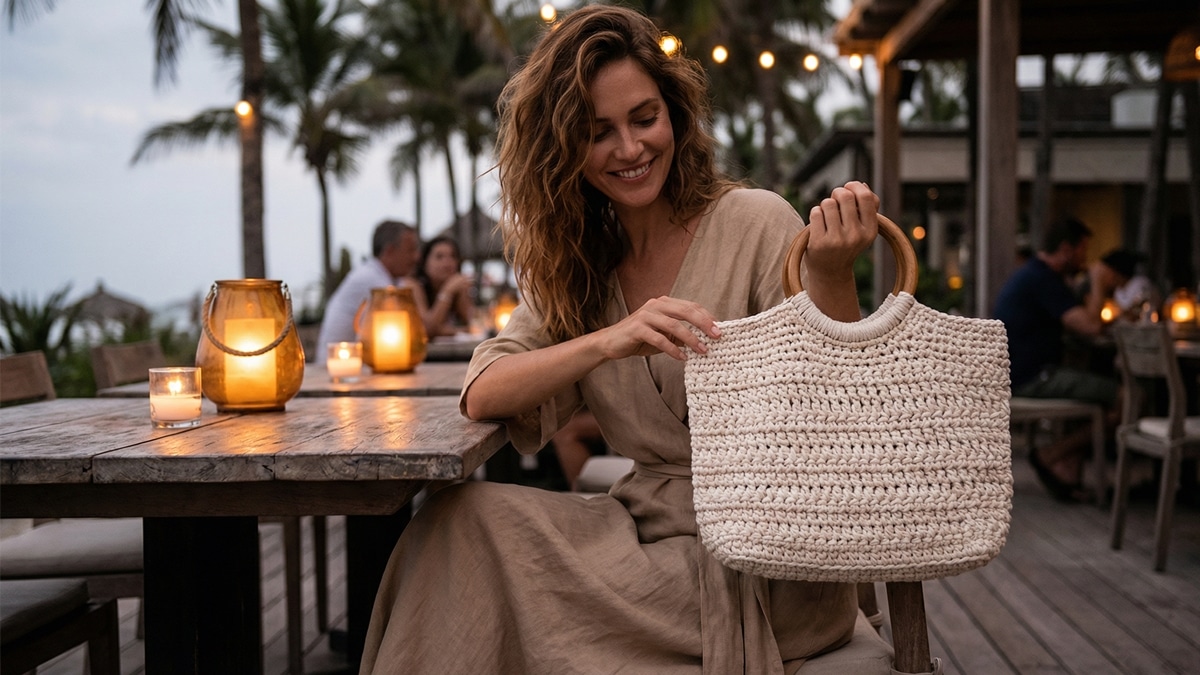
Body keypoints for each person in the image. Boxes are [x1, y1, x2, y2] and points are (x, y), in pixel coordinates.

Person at [359, 6, 879, 673]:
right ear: (563, 147)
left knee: (484, 567)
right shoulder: (578, 262)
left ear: (675, 115)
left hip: (766, 559)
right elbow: (484, 391)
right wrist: (609, 340)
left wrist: (833, 273)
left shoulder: (755, 222)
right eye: (597, 132)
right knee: (457, 521)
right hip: (643, 531)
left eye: (644, 118)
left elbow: (841, 401)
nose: (630, 149)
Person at [994, 216, 1120, 502]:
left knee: (1089, 387)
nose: (1085, 258)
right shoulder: (1044, 279)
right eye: (1083, 250)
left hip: (1021, 373)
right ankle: (1052, 456)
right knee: (1125, 397)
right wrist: (1098, 281)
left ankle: (1064, 468)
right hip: (1030, 377)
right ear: (1066, 249)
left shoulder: (1035, 274)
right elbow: (1090, 327)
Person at [316, 220, 423, 363]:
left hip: (353, 369)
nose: (416, 257)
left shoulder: (385, 277)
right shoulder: (372, 282)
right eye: (410, 250)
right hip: (337, 375)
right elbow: (415, 329)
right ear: (390, 251)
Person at [415, 235, 475, 337]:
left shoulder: (457, 288)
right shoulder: (413, 285)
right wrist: (447, 292)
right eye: (439, 257)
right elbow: (427, 329)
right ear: (425, 263)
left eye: (452, 256)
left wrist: (463, 292)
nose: (447, 263)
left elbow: (473, 325)